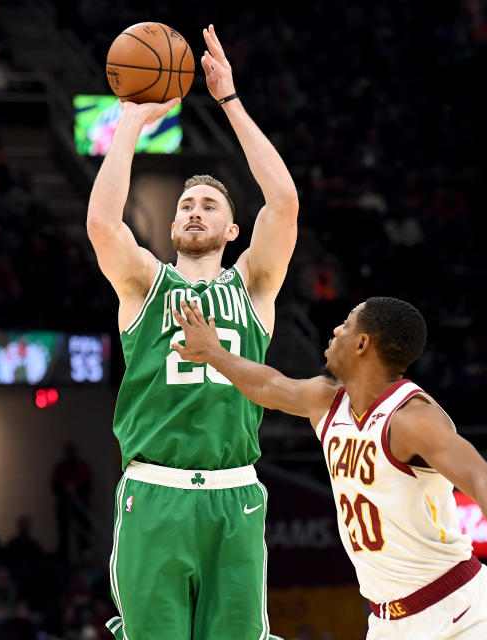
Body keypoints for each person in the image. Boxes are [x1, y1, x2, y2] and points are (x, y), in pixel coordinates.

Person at [85, 24, 298, 640]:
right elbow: (103, 223)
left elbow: (282, 203)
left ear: (234, 231)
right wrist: (129, 120)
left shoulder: (253, 288)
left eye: (209, 205)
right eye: (185, 205)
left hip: (237, 494)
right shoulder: (145, 285)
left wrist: (229, 100)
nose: (194, 210)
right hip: (155, 492)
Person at [172, 297, 487, 639]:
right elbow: (268, 385)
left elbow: (479, 476)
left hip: (458, 611)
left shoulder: (411, 418)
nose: (336, 329)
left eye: (347, 323)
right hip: (388, 622)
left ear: (362, 344)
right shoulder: (326, 400)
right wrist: (213, 353)